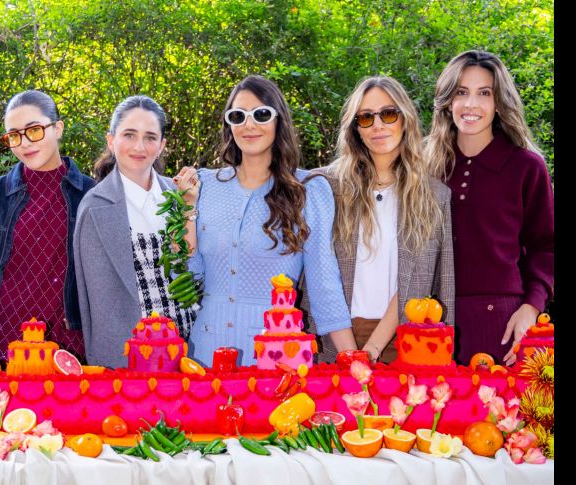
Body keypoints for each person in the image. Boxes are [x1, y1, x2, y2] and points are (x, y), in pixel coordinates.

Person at [180, 75, 356, 367]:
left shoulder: (308, 190)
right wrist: (187, 210)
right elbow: (189, 277)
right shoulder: (205, 185)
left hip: (277, 359)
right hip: (204, 355)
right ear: (229, 125)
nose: (249, 125)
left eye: (261, 114)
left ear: (279, 121)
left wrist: (354, 365)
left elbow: (324, 283)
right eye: (238, 116)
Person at [305, 76, 454, 364]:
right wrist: (351, 353)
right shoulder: (326, 187)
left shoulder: (434, 196)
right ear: (355, 128)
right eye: (365, 117)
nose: (378, 125)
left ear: (405, 119)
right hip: (333, 342)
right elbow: (320, 276)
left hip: (407, 343)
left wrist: (371, 350)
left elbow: (418, 283)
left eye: (388, 113)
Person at [425, 50, 554, 366]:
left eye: (484, 93)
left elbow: (547, 248)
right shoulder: (426, 167)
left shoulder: (526, 166)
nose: (471, 105)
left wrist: (531, 308)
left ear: (499, 103)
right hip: (430, 325)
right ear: (447, 101)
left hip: (504, 324)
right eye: (461, 92)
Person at [74, 95, 198, 368]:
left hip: (190, 347)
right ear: (111, 140)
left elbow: (195, 265)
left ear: (162, 145)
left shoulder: (179, 194)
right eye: (129, 135)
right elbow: (98, 301)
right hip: (133, 355)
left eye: (150, 137)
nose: (139, 146)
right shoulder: (95, 207)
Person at [0, 90, 95, 364]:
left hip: (68, 347)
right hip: (3, 344)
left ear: (58, 128)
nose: (24, 143)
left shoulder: (92, 196)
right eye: (14, 135)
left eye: (34, 130)